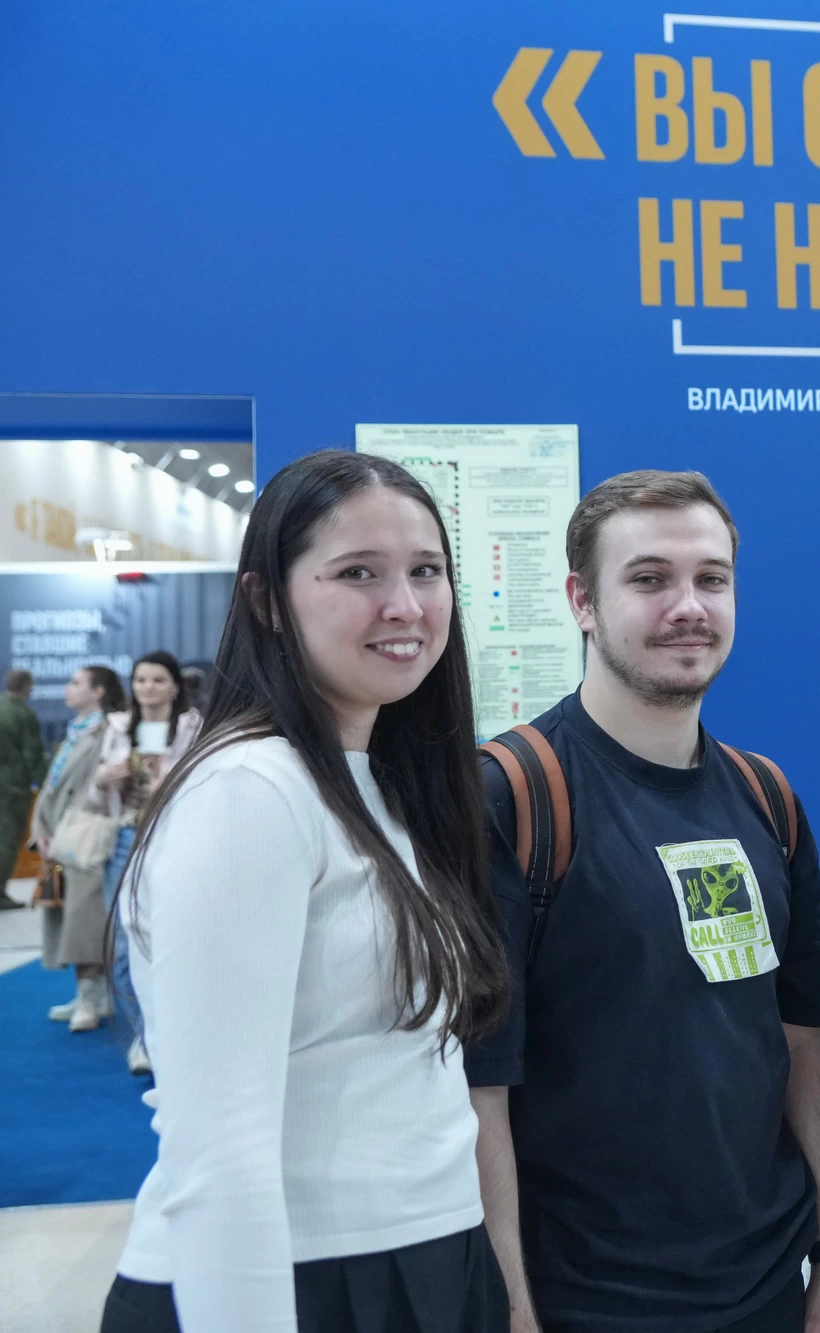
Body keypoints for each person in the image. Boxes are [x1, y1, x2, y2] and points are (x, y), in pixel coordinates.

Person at [101, 449, 512, 1332]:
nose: (405, 605)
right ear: (265, 600)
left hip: (425, 1257)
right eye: (358, 572)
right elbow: (220, 1153)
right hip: (294, 1276)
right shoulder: (248, 793)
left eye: (426, 570)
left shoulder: (386, 784)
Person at [466, 470, 820, 1333]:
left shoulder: (767, 798)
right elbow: (479, 1091)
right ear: (582, 600)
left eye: (711, 579)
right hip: (585, 1301)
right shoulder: (512, 796)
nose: (689, 606)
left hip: (767, 1291)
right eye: (649, 579)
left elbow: (802, 1036)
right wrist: (513, 1311)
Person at [95, 651, 203, 1075]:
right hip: (125, 836)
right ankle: (145, 1034)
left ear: (175, 686)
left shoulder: (193, 727)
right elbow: (95, 784)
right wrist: (107, 777)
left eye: (158, 680)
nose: (148, 688)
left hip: (176, 836)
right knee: (124, 942)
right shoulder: (118, 727)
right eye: (140, 680)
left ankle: (177, 1031)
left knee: (172, 937)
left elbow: (206, 780)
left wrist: (169, 780)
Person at [32, 664, 125, 1028]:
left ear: (98, 691)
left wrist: (64, 829)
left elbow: (96, 789)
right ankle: (90, 994)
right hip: (60, 834)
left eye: (76, 683)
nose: (67, 689)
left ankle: (93, 998)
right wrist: (41, 828)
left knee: (85, 919)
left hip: (85, 835)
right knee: (71, 916)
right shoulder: (75, 732)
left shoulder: (109, 731)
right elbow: (52, 786)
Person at [0, 668, 46, 904]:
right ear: (27, 686)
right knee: (7, 840)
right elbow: (32, 755)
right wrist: (47, 786)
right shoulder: (23, 714)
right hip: (13, 788)